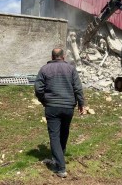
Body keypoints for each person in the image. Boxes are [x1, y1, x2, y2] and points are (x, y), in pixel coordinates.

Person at [34, 48, 85, 178]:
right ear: (63, 56)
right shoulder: (71, 69)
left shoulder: (44, 69)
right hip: (68, 107)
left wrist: (44, 100)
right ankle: (59, 158)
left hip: (52, 107)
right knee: (64, 132)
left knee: (54, 136)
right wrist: (81, 104)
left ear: (52, 56)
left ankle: (60, 167)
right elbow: (78, 88)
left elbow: (38, 88)